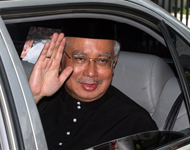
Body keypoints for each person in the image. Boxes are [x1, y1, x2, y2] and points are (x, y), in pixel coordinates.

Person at [29, 30, 158, 149]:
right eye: (80, 58)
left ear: (114, 64)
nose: (91, 72)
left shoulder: (136, 123)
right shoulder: (35, 103)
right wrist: (34, 96)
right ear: (61, 60)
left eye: (102, 60)